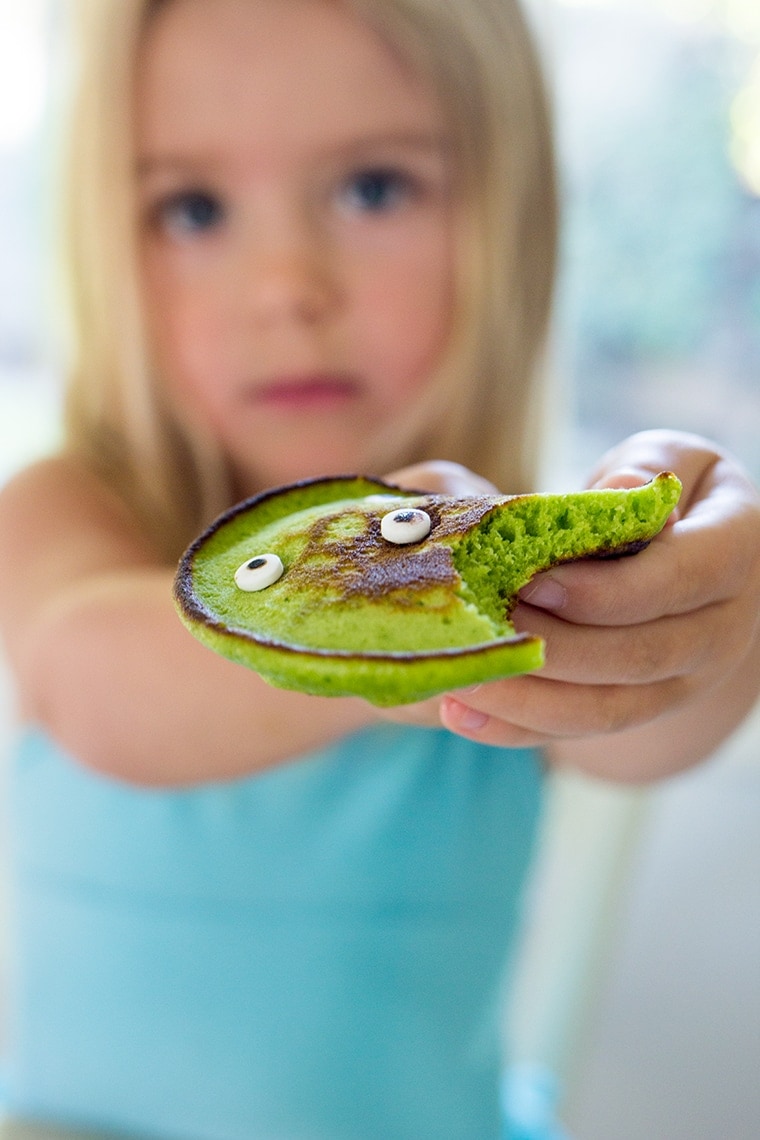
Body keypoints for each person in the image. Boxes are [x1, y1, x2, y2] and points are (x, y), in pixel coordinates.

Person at [0, 0, 758, 1137]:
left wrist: (690, 598)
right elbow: (103, 693)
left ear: (511, 218)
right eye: (193, 208)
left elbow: (660, 725)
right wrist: (384, 589)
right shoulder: (69, 508)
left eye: (374, 190)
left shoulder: (513, 552)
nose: (288, 288)